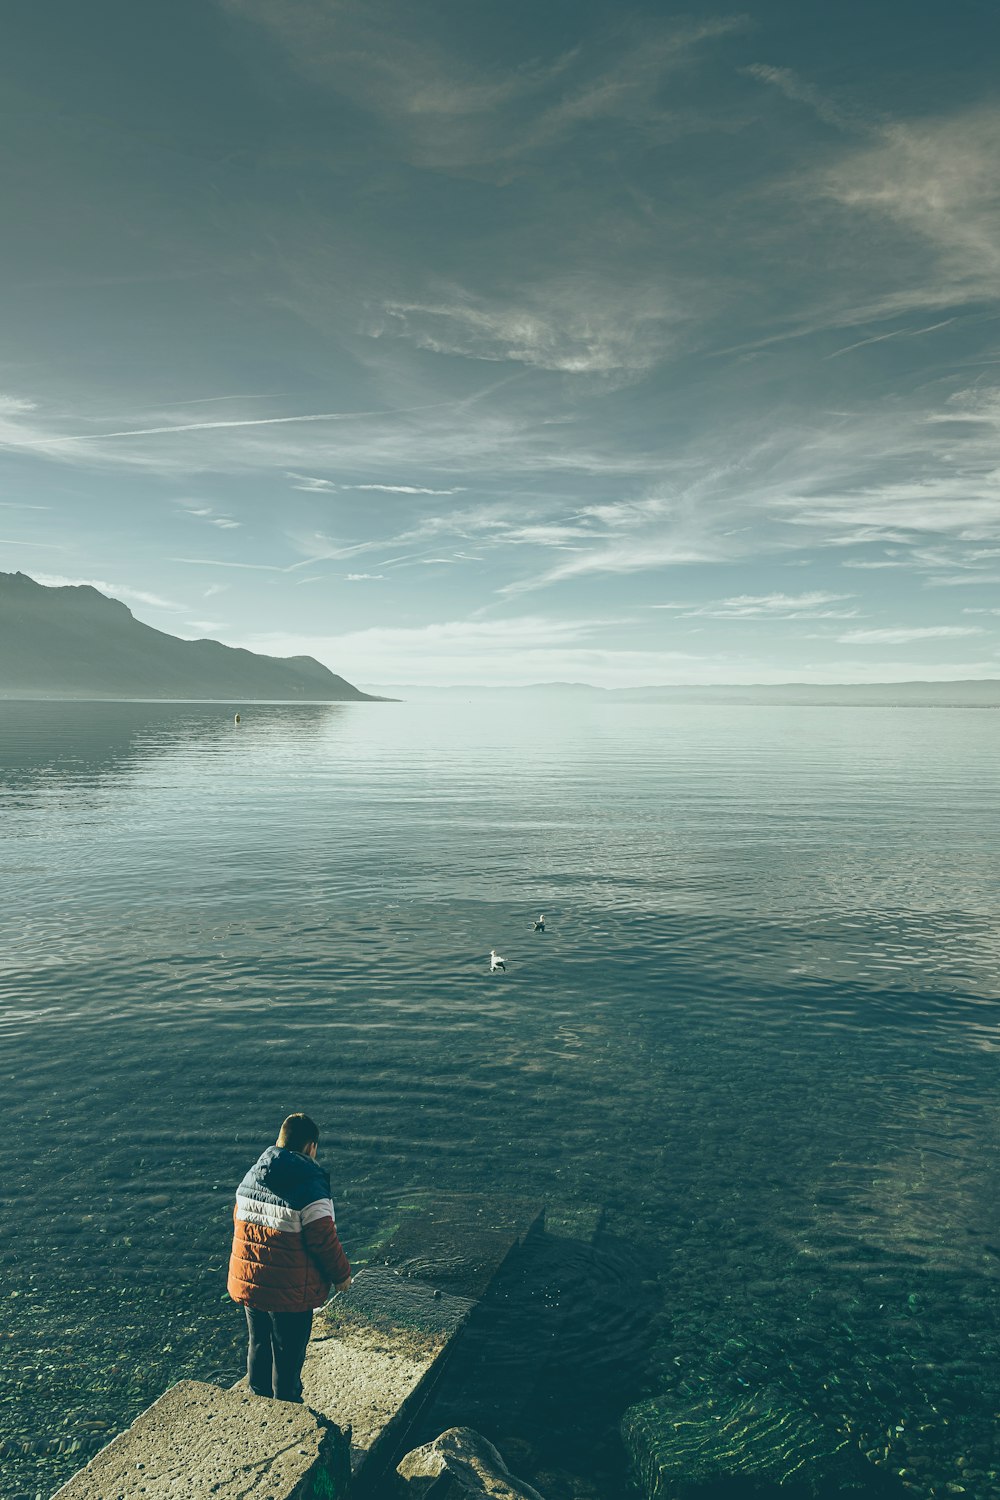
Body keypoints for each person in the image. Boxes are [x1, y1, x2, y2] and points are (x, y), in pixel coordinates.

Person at [228, 1112, 352, 1402]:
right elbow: (323, 1238)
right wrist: (342, 1276)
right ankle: (288, 1411)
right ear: (311, 1147)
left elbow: (241, 1225)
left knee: (258, 1345)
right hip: (290, 1293)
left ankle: (257, 1405)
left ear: (279, 1141)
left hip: (251, 1282)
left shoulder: (251, 1177)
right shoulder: (310, 1185)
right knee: (287, 1358)